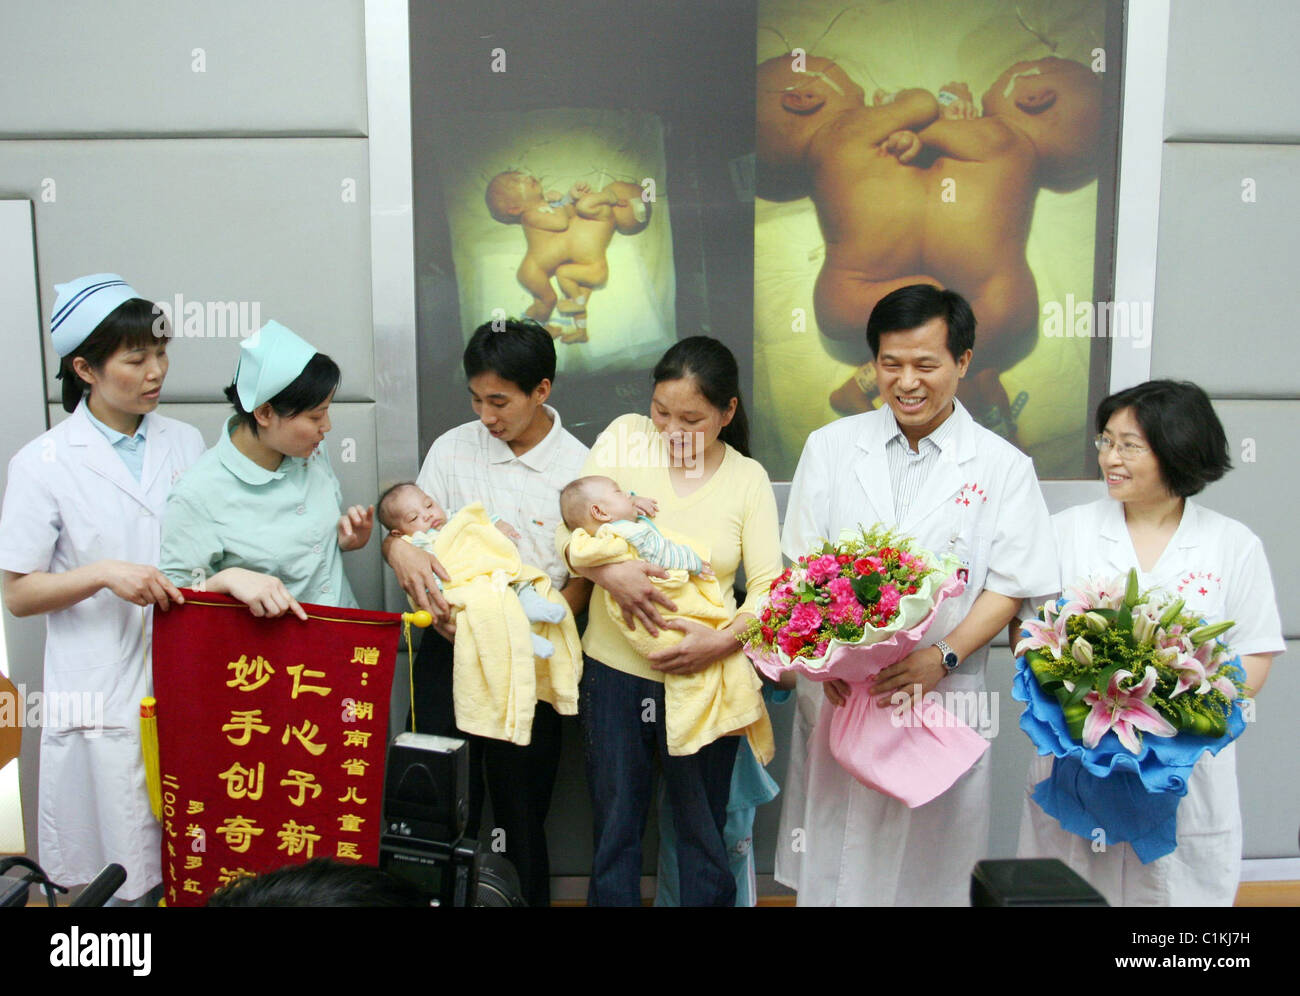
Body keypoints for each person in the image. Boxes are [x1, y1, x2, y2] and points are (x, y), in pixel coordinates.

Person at [777, 284, 1057, 906]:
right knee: (836, 867)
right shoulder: (830, 448)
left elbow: (1009, 586)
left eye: (925, 365)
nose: (906, 382)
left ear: (962, 361)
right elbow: (802, 566)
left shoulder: (1002, 466)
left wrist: (943, 658)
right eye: (890, 363)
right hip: (844, 693)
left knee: (929, 872)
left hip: (942, 692)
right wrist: (825, 658)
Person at [1015, 380, 1284, 906]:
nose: (1110, 458)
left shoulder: (1233, 545)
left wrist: (1178, 723)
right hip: (1082, 759)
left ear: (1179, 449)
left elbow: (1254, 654)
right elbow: (1028, 637)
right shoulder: (1065, 531)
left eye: (1129, 446)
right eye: (1106, 442)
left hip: (1182, 769)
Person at [756, 53, 1103, 434]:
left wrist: (913, 116)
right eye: (846, 82)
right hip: (995, 299)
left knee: (931, 307)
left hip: (850, 296)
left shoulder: (848, 136)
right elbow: (927, 121)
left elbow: (922, 121)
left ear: (1035, 98)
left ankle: (872, 389)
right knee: (941, 307)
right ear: (801, 101)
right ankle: (974, 396)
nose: (857, 90)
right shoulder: (996, 138)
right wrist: (944, 117)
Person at [0, 273, 206, 903]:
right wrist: (103, 575)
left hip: (180, 673)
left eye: (161, 355)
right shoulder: (43, 462)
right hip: (97, 689)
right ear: (85, 368)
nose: (155, 372)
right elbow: (18, 595)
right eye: (136, 359)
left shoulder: (187, 441)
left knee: (189, 859)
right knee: (112, 882)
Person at [564, 336, 782, 906]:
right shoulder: (623, 437)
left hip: (706, 681)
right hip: (614, 674)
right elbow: (572, 532)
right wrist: (611, 576)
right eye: (661, 411)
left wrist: (718, 642)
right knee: (615, 831)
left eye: (692, 419)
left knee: (702, 834)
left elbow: (768, 590)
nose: (669, 430)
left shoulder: (747, 479)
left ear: (727, 412)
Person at [384, 318, 589, 908]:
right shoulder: (452, 448)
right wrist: (395, 548)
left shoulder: (577, 466)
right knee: (442, 807)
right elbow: (408, 536)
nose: (486, 416)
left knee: (524, 811)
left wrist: (538, 622)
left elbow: (583, 578)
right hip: (448, 650)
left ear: (541, 391)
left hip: (531, 652)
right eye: (476, 399)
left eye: (499, 401)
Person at [159, 320, 371, 614]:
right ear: (264, 413)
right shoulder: (198, 494)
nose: (327, 426)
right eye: (315, 416)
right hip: (271, 657)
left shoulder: (311, 451)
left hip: (338, 641)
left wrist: (344, 539)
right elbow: (174, 595)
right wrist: (226, 580)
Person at [377, 481, 567, 659]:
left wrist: (499, 525)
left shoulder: (455, 518)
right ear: (398, 533)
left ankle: (536, 606)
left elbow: (478, 518)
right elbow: (426, 574)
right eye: (413, 517)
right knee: (485, 613)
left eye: (429, 505)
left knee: (520, 581)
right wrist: (435, 597)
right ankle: (525, 640)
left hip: (490, 573)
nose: (427, 515)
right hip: (463, 586)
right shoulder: (418, 542)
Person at [485, 170, 649, 343]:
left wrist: (566, 200)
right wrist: (562, 202)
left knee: (552, 299)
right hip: (533, 272)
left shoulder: (543, 209)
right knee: (548, 301)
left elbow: (568, 218)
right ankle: (527, 332)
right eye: (516, 181)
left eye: (521, 175)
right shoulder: (530, 216)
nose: (525, 176)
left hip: (544, 269)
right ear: (515, 209)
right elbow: (561, 223)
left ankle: (545, 327)